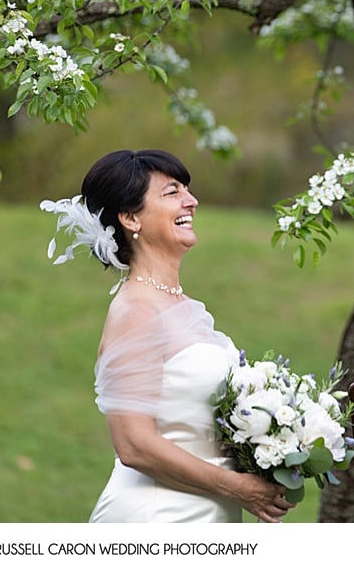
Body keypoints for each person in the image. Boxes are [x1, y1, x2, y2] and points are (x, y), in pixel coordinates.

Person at [41, 149, 295, 522]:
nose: (191, 201)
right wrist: (236, 487)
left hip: (211, 515)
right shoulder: (136, 311)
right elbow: (134, 446)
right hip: (159, 518)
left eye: (187, 190)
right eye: (172, 192)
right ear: (130, 218)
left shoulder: (188, 308)